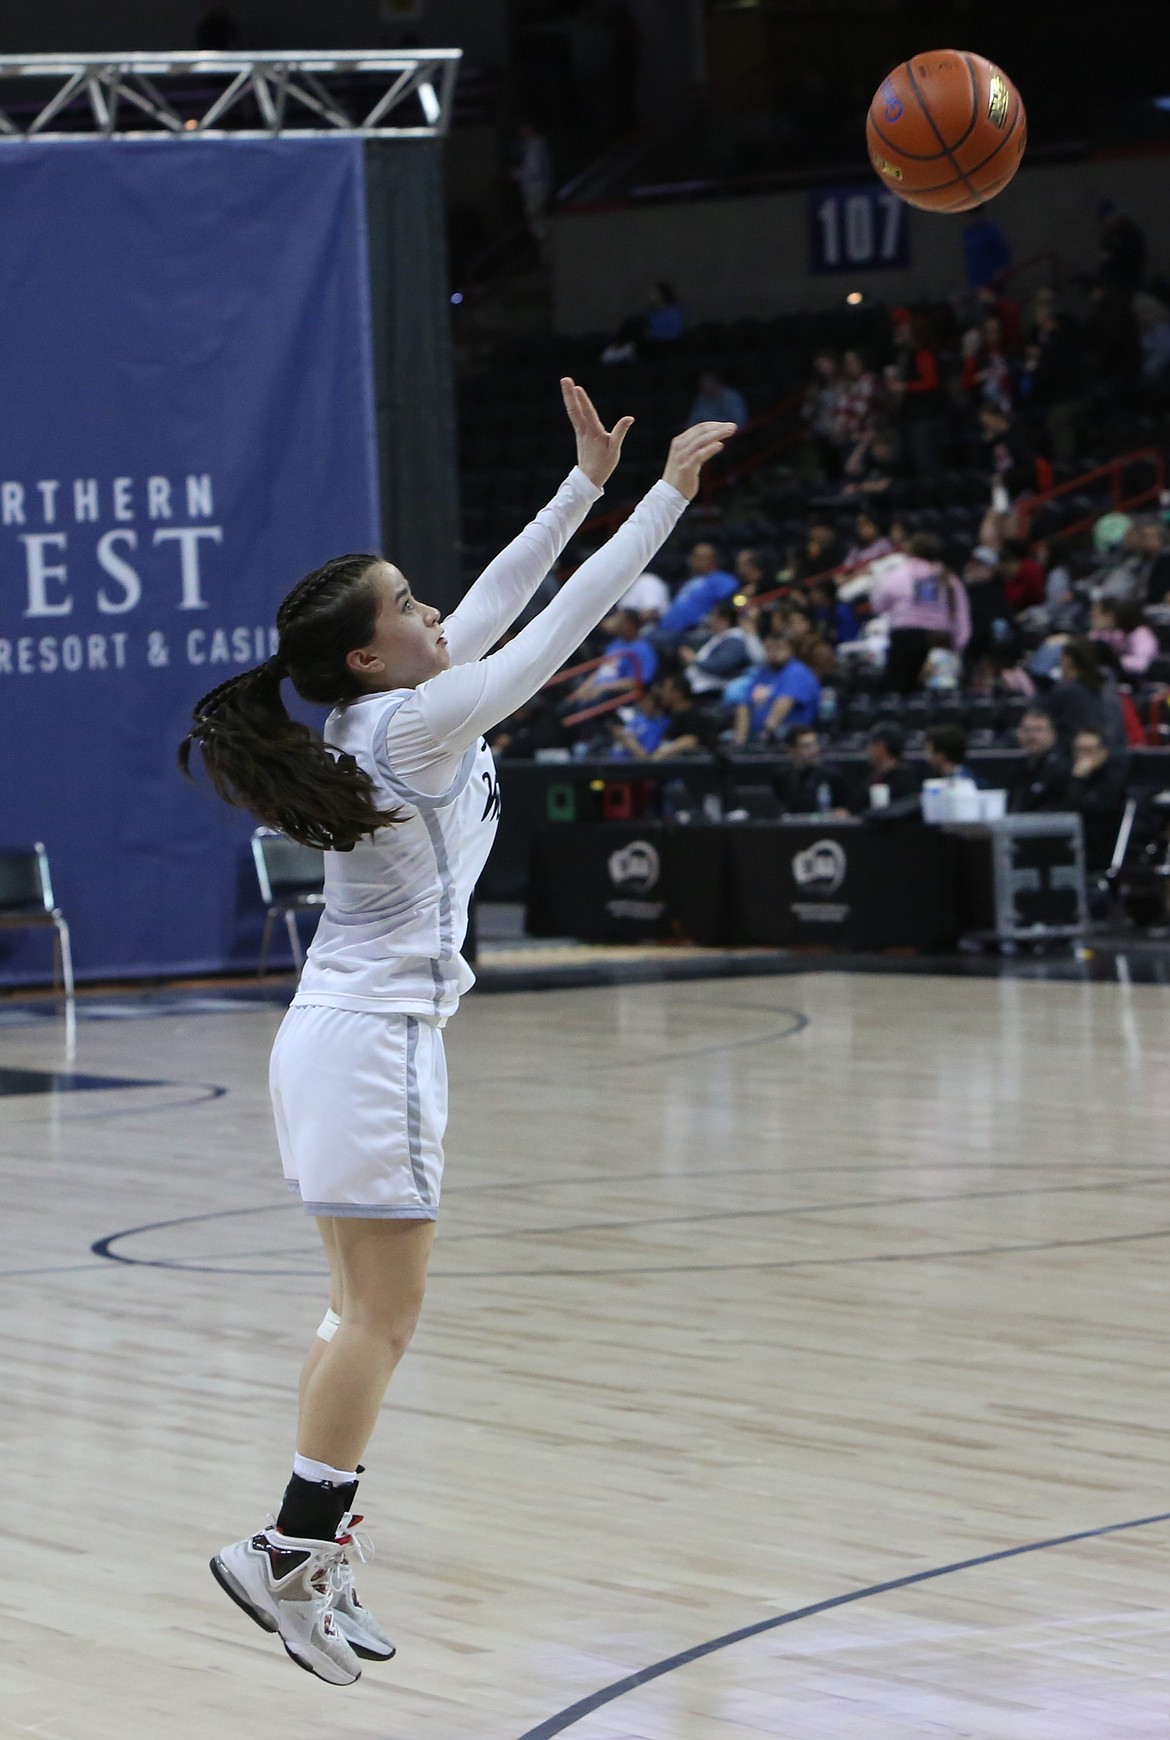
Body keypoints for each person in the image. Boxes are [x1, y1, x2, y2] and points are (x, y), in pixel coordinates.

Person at [180, 380, 733, 1685]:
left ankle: (315, 1551)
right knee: (381, 1321)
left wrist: (585, 480)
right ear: (374, 651)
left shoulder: (382, 704)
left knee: (353, 1317)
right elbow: (560, 626)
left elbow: (499, 594)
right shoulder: (418, 720)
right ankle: (283, 1554)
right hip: (372, 1040)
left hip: (338, 1032)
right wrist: (663, 496)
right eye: (409, 606)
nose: (433, 612)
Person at [869, 532, 971, 694]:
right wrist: (958, 647)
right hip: (940, 641)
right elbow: (962, 617)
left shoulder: (899, 574)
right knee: (939, 696)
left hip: (905, 640)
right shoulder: (950, 580)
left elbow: (878, 604)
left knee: (899, 694)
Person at [563, 606, 657, 714]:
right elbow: (601, 671)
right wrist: (581, 690)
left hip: (613, 694)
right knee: (566, 704)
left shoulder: (643, 650)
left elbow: (636, 682)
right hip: (597, 689)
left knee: (584, 708)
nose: (616, 623)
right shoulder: (616, 643)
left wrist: (603, 688)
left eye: (620, 621)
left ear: (630, 625)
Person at [733, 631, 821, 746]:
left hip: (789, 735)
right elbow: (744, 706)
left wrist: (766, 734)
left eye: (779, 647)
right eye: (769, 648)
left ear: (791, 649)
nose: (773, 652)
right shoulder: (763, 672)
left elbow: (784, 703)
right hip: (755, 734)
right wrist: (739, 742)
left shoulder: (797, 671)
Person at [1045, 636, 1127, 752]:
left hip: (1078, 755)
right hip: (1111, 755)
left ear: (1069, 660)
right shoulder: (1109, 688)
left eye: (1061, 658)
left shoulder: (1065, 692)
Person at [887, 308, 944, 475]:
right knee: (905, 461)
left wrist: (904, 387)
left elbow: (931, 382)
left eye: (901, 325)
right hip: (906, 416)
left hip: (923, 416)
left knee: (925, 462)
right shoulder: (901, 354)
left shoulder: (922, 352)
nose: (898, 330)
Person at [612, 673, 715, 759]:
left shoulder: (694, 715)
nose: (662, 694)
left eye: (666, 689)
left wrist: (663, 752)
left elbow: (691, 740)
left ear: (677, 693)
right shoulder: (668, 715)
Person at [655, 541, 737, 640]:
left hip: (692, 633)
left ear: (711, 559)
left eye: (697, 557)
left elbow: (727, 604)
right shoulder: (691, 581)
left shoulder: (721, 579)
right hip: (666, 631)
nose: (691, 560)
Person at [679, 599, 761, 695]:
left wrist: (693, 660)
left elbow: (722, 665)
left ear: (724, 620)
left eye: (714, 616)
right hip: (696, 686)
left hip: (711, 691)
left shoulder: (735, 639)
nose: (711, 619)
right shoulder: (721, 636)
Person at [773, 724, 851, 815]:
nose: (814, 750)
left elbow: (845, 809)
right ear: (791, 749)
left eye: (815, 744)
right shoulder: (781, 777)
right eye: (806, 746)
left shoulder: (832, 775)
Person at [601, 279, 684, 363]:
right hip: (646, 339)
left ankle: (621, 350)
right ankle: (619, 347)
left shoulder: (673, 312)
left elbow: (672, 333)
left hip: (662, 344)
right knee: (634, 321)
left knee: (637, 323)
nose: (650, 296)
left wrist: (651, 334)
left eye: (653, 293)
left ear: (661, 294)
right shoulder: (652, 312)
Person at [1009, 707, 1072, 812]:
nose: (1031, 736)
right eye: (1026, 730)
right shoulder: (1018, 767)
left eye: (1038, 730)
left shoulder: (1062, 769)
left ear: (1053, 735)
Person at [1090, 597, 1160, 676]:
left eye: (1112, 616)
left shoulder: (1142, 634)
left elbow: (1142, 664)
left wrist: (1115, 662)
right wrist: (1098, 631)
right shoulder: (1113, 633)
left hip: (1141, 679)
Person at [861, 722, 922, 806]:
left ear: (881, 747)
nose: (868, 750)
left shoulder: (906, 782)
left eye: (871, 745)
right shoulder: (872, 779)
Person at [961, 205, 1012, 290]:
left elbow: (1003, 251)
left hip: (992, 279)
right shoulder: (967, 233)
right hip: (976, 280)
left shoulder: (989, 230)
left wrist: (1000, 270)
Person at [687, 367, 747, 431]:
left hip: (732, 434)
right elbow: (693, 421)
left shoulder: (732, 397)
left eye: (707, 386)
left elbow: (740, 422)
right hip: (708, 435)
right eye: (702, 387)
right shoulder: (702, 398)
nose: (704, 390)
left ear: (715, 384)